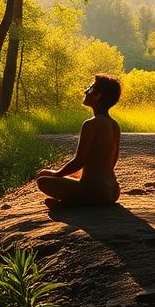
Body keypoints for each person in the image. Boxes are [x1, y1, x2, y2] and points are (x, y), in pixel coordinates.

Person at [36, 74, 121, 208]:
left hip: (96, 192)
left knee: (43, 181)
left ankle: (68, 204)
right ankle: (75, 200)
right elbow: (112, 161)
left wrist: (56, 173)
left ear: (98, 95)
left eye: (90, 88)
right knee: (75, 177)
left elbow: (79, 161)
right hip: (114, 190)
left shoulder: (91, 124)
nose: (86, 91)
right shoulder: (114, 124)